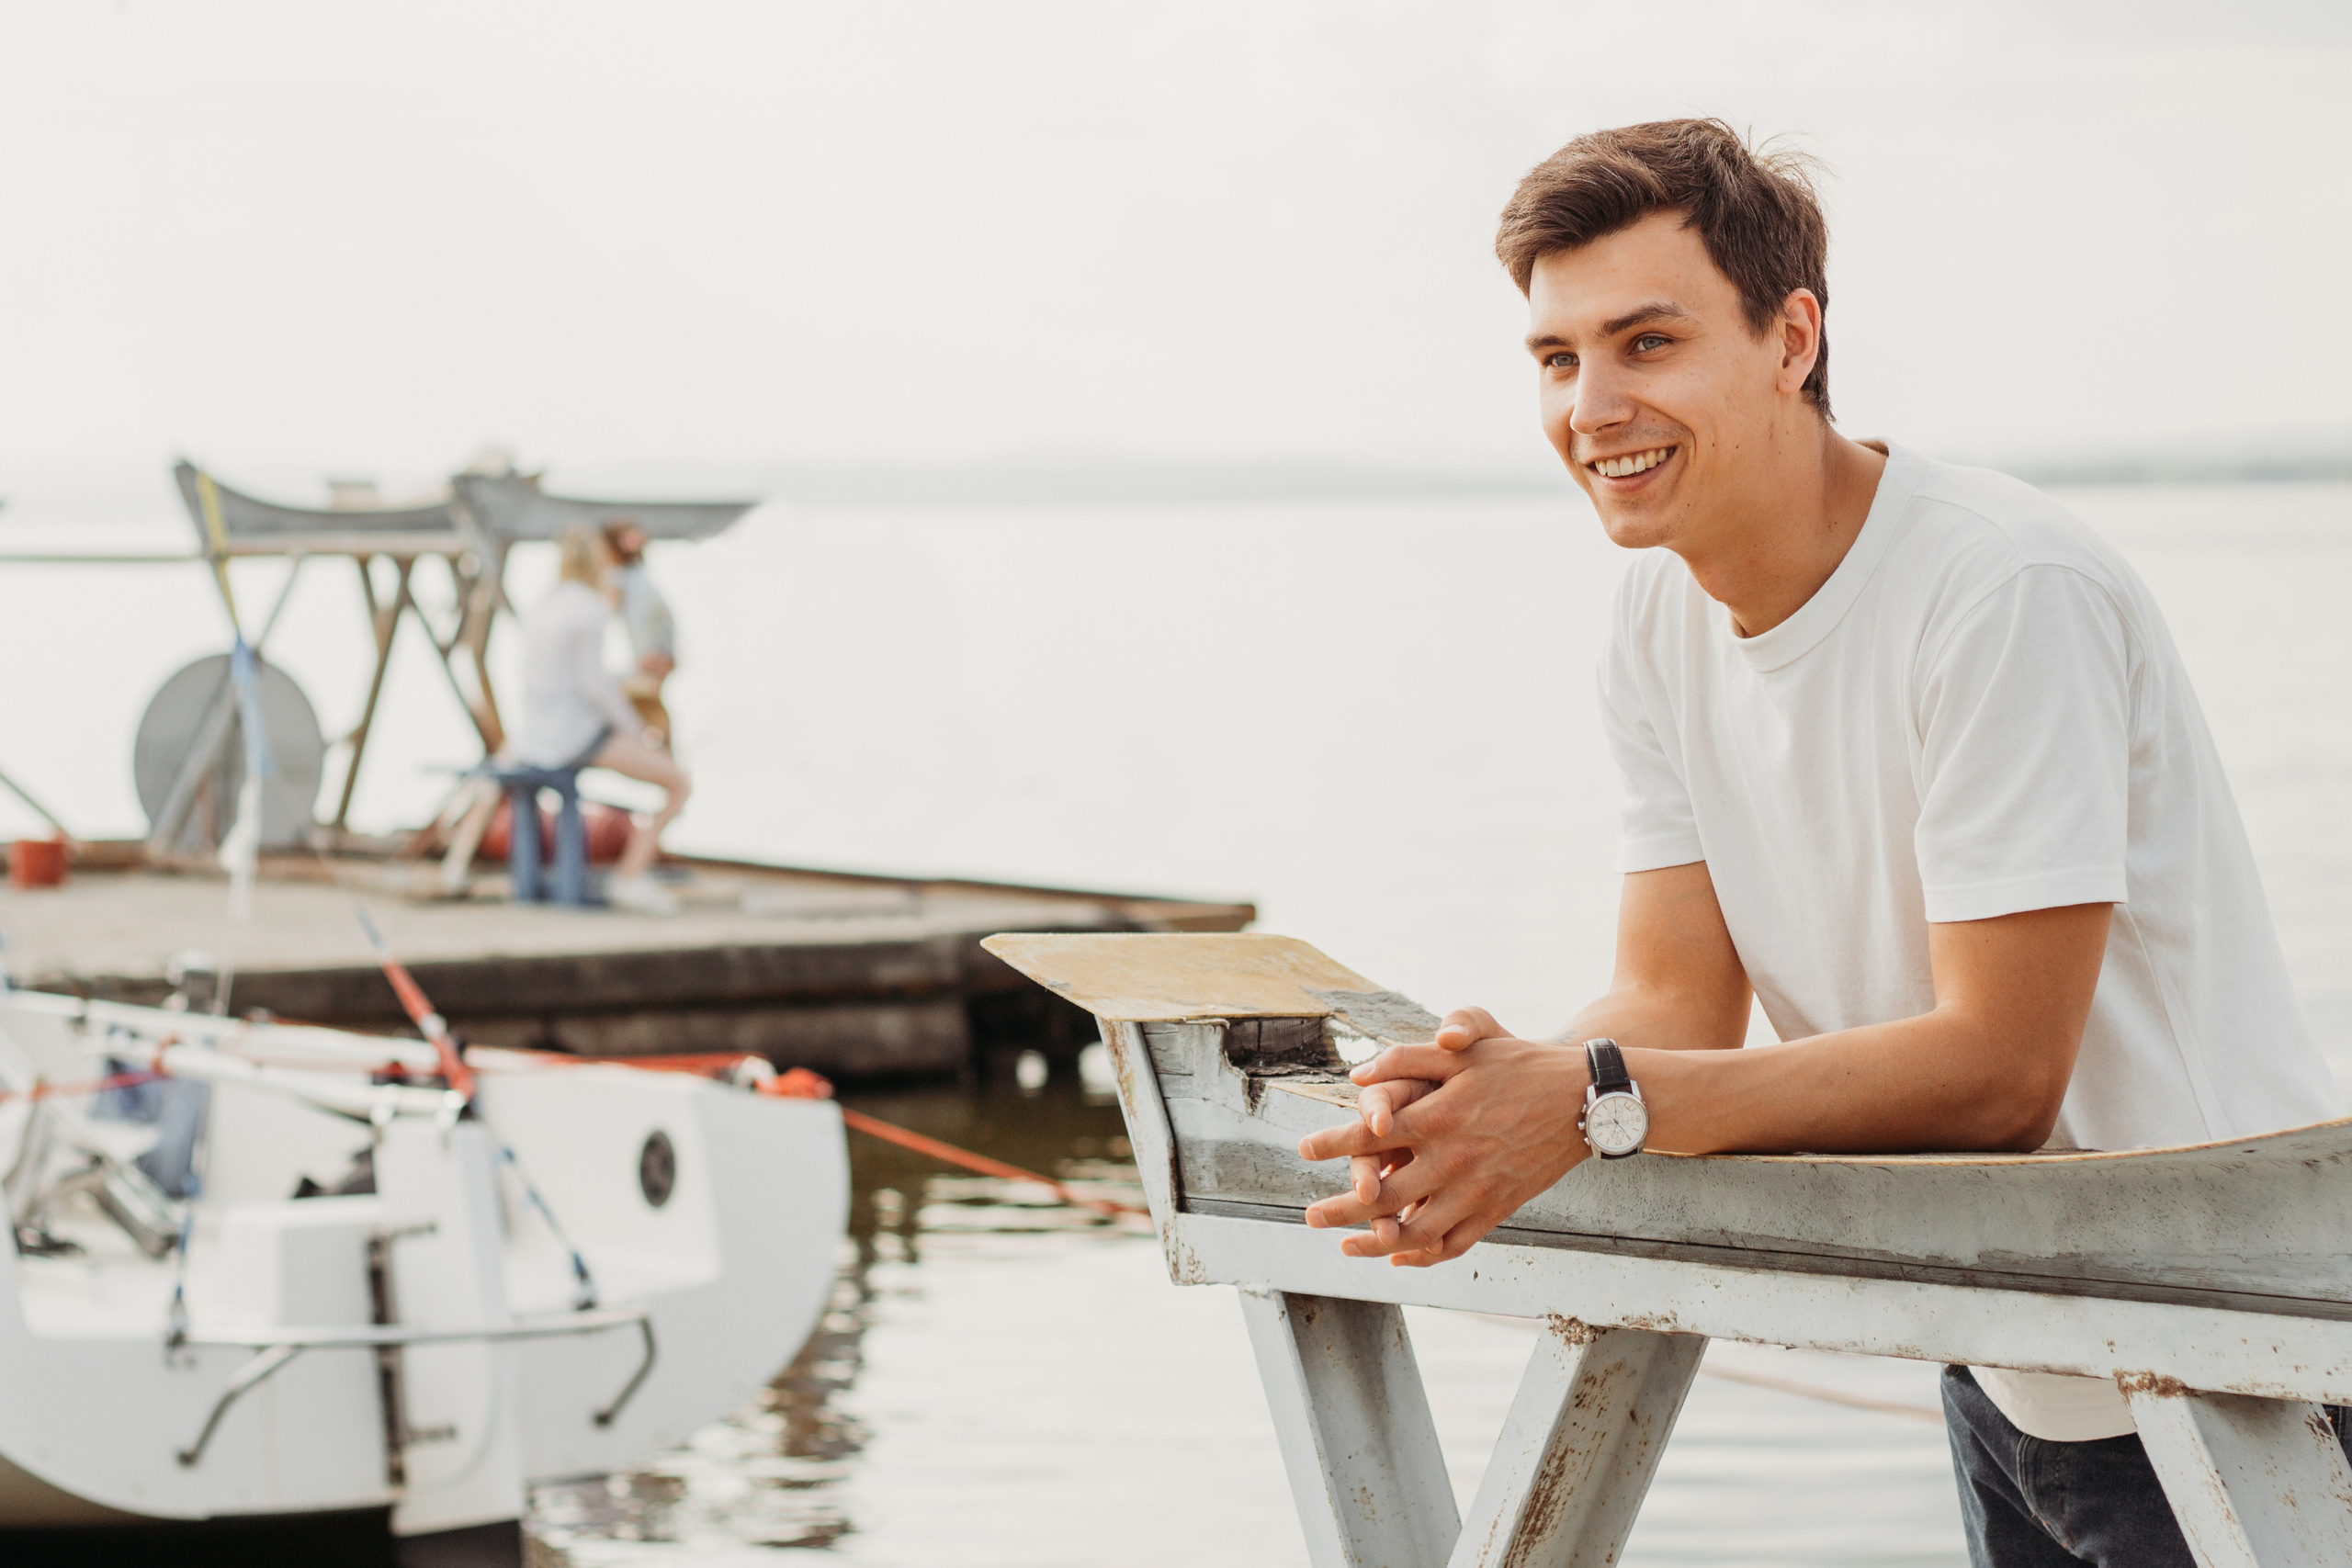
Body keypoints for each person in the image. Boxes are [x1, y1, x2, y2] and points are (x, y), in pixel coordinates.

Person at [1292, 118, 2344, 1567]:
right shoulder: (1659, 616)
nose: (1592, 405)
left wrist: (1586, 1096)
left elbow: (1999, 1072)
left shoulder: (1998, 587)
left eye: (1646, 342)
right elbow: (1670, 1000)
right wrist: (1481, 1090)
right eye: (1555, 358)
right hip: (2010, 1344)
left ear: (1792, 339)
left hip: (2247, 1360)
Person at [508, 525, 692, 916]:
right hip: (574, 738)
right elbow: (594, 686)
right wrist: (635, 730)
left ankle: (624, 872)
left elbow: (563, 676)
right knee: (679, 783)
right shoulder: (590, 608)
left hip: (536, 736)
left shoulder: (544, 605)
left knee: (659, 769)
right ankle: (630, 875)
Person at [601, 519, 675, 749]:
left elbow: (605, 609)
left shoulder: (622, 577)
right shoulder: (633, 575)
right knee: (649, 703)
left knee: (643, 702)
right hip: (655, 646)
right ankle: (663, 754)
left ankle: (658, 755)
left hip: (652, 648)